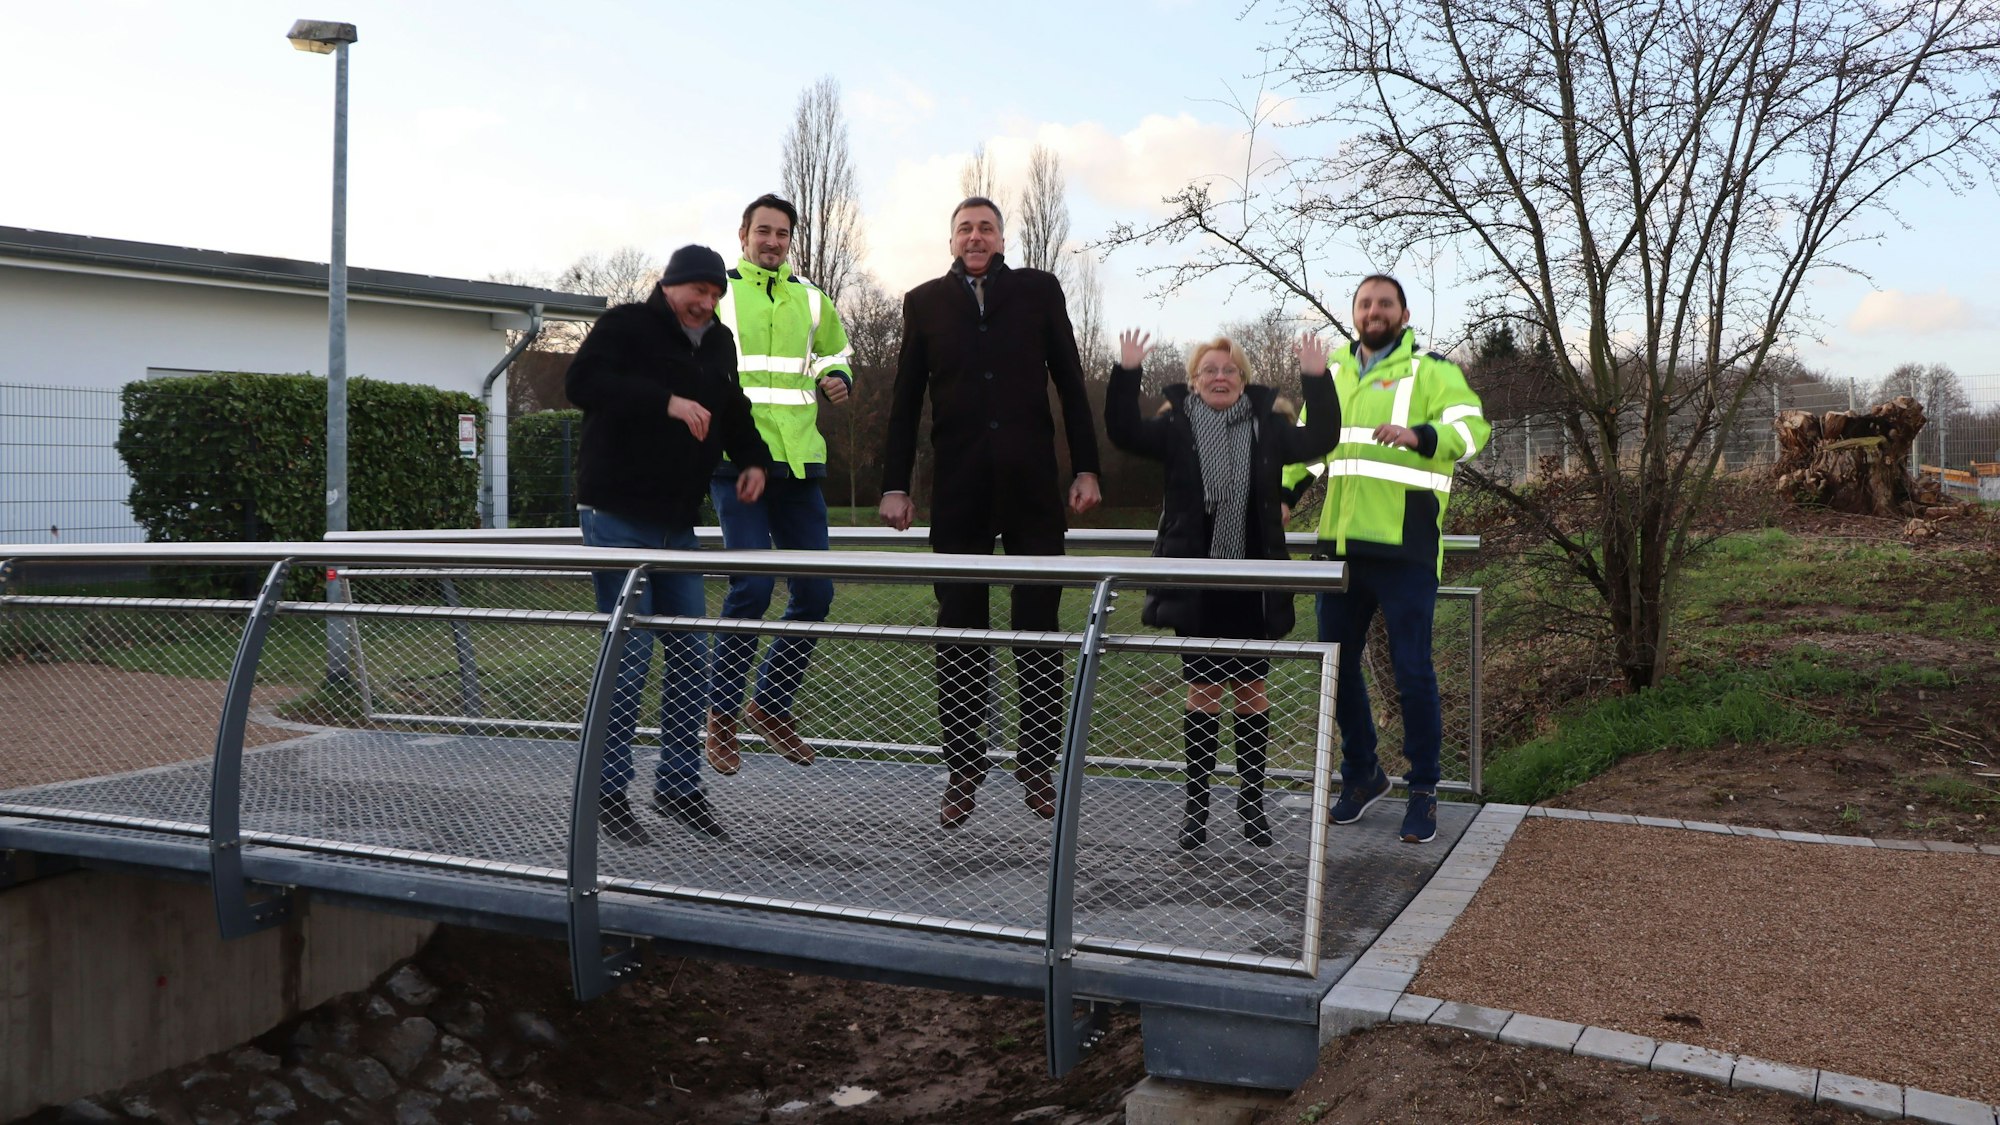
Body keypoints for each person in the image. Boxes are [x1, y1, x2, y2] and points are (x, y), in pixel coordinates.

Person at [878, 196, 1102, 829]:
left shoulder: (1038, 290)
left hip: (1032, 486)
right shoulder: (924, 302)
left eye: (986, 228)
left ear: (1002, 237)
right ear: (951, 240)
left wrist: (1087, 467)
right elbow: (903, 403)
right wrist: (895, 484)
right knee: (960, 629)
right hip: (960, 490)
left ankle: (1036, 768)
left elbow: (1069, 379)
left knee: (1038, 625)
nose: (975, 237)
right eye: (965, 229)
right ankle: (964, 771)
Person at [565, 244, 772, 846]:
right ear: (667, 285)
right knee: (628, 660)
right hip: (616, 514)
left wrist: (753, 460)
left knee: (693, 656)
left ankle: (679, 787)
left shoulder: (719, 342)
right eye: (695, 292)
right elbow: (582, 383)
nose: (703, 303)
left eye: (713, 295)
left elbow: (733, 410)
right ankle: (608, 792)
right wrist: (666, 402)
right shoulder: (626, 326)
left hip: (677, 525)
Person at [1106, 328, 1338, 849]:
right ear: (1193, 380)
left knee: (1252, 693)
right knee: (1204, 692)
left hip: (1254, 580)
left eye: (1229, 370)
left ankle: (1252, 804)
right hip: (1197, 582)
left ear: (1243, 380)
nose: (1219, 377)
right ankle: (1197, 808)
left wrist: (1316, 381)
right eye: (1209, 370)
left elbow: (1322, 439)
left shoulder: (1270, 426)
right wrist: (1126, 372)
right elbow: (1122, 433)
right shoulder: (1176, 428)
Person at [1281, 274, 1489, 844]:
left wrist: (1422, 434)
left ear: (1402, 311)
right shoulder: (1333, 374)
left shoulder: (1433, 370)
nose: (1375, 310)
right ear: (1354, 313)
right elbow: (1307, 447)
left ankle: (1424, 787)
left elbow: (1474, 430)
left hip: (1406, 548)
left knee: (1412, 671)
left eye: (1385, 303)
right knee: (1338, 669)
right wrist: (1283, 495)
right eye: (1365, 303)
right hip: (1340, 549)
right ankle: (1363, 774)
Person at [704, 193, 853, 775]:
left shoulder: (812, 298)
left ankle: (769, 705)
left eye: (782, 234)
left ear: (791, 240)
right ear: (743, 235)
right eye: (762, 231)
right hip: (736, 462)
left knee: (816, 594)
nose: (772, 241)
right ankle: (720, 718)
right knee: (753, 588)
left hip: (799, 464)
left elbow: (834, 352)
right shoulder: (718, 293)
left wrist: (836, 375)